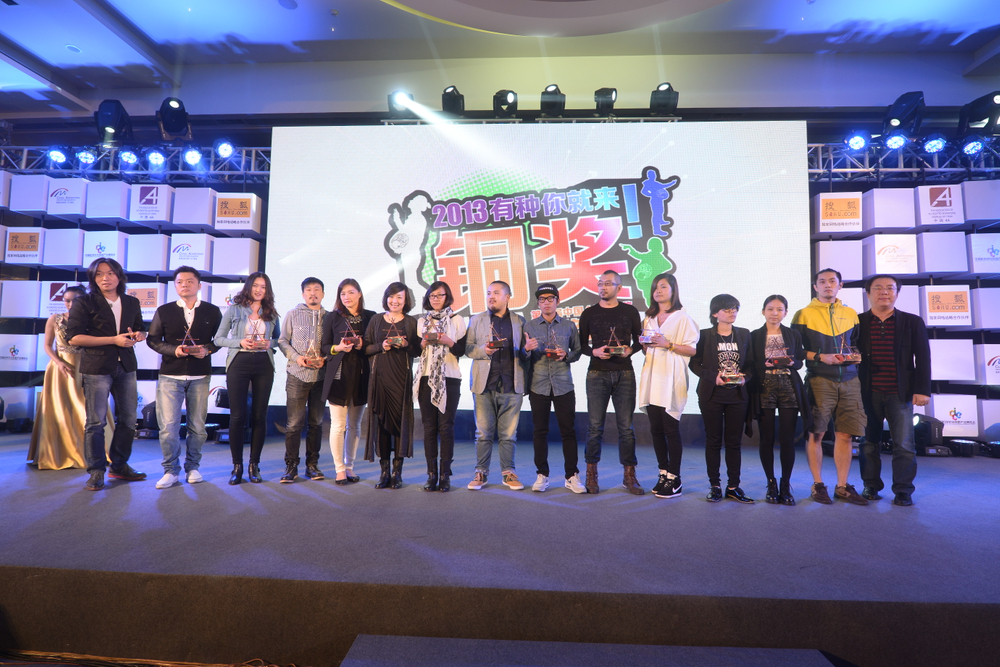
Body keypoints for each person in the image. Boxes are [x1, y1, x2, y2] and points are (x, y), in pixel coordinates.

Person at [65, 257, 147, 491]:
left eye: (110, 273)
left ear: (119, 276)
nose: (105, 278)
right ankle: (96, 471)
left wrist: (140, 335)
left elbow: (139, 327)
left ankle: (119, 466)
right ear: (93, 278)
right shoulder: (84, 302)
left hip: (126, 366)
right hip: (97, 367)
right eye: (99, 274)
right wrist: (113, 340)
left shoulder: (131, 302)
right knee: (96, 422)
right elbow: (74, 338)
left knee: (129, 420)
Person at [791, 268, 868, 506]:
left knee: (845, 434)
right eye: (822, 282)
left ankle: (842, 486)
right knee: (816, 433)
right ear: (815, 287)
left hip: (850, 380)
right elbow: (795, 351)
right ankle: (818, 484)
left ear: (840, 285)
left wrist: (855, 357)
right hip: (819, 379)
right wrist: (820, 357)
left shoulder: (851, 314)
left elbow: (856, 345)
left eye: (832, 281)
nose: (827, 285)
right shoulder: (803, 314)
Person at [857, 274, 931, 507]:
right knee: (868, 443)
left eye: (890, 288)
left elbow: (923, 357)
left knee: (904, 445)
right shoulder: (857, 322)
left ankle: (903, 490)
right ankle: (870, 485)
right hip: (867, 392)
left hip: (900, 393)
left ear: (897, 293)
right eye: (878, 288)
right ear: (868, 293)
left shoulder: (912, 322)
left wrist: (922, 390)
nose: (884, 292)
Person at [146, 266, 222, 488]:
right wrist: (174, 350)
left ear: (199, 285)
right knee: (169, 426)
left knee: (197, 426)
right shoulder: (164, 310)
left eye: (189, 281)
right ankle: (170, 470)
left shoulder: (212, 311)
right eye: (180, 282)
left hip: (200, 375)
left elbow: (220, 339)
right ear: (175, 285)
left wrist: (207, 349)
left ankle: (193, 467)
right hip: (170, 375)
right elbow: (153, 339)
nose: (184, 285)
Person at [28, 285, 112, 470]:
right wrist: (59, 362)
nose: (70, 304)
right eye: (67, 300)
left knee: (89, 411)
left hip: (87, 366)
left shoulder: (93, 319)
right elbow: (48, 346)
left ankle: (95, 454)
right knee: (61, 411)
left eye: (75, 300)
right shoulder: (54, 319)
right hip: (61, 369)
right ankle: (61, 453)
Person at [579, 270, 644, 495]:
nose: (603, 287)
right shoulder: (589, 313)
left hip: (624, 373)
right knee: (594, 427)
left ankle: (629, 476)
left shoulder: (630, 311)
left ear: (619, 287)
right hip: (597, 373)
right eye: (600, 283)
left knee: (626, 428)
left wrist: (630, 350)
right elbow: (581, 346)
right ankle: (591, 475)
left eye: (608, 283)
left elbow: (640, 340)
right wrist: (594, 351)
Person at [214, 271, 280, 485]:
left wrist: (269, 343)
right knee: (237, 416)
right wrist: (240, 342)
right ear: (249, 287)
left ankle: (254, 465)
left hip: (263, 363)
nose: (259, 290)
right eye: (256, 286)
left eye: (264, 287)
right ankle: (237, 466)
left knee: (260, 416)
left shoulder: (271, 312)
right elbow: (218, 339)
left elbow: (279, 340)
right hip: (239, 362)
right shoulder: (234, 309)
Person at [637, 273, 699, 499]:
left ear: (673, 290)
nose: (658, 291)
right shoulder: (649, 318)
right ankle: (663, 473)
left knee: (671, 428)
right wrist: (645, 343)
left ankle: (675, 477)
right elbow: (647, 348)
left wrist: (668, 344)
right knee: (656, 429)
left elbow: (692, 350)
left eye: (663, 287)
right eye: (655, 287)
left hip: (672, 378)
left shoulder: (682, 318)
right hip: (652, 377)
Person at [689, 294, 754, 503]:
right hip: (712, 394)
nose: (732, 312)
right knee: (713, 440)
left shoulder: (744, 334)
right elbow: (694, 364)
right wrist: (712, 377)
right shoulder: (704, 335)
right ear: (715, 313)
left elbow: (751, 364)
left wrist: (745, 378)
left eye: (735, 308)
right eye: (727, 309)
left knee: (734, 442)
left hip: (737, 395)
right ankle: (715, 486)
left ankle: (733, 486)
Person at [522, 282, 586, 493]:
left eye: (550, 299)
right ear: (538, 303)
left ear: (558, 301)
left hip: (563, 384)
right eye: (542, 299)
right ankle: (542, 475)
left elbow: (577, 351)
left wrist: (566, 355)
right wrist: (526, 350)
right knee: (540, 431)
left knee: (568, 431)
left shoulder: (569, 326)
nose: (546, 303)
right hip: (538, 385)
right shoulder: (529, 326)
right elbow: (523, 357)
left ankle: (571, 475)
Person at [748, 295, 810, 505]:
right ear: (763, 311)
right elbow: (751, 362)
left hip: (788, 386)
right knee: (766, 438)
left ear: (786, 312)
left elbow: (799, 361)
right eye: (770, 309)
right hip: (764, 387)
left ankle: (785, 485)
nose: (774, 313)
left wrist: (792, 362)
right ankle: (771, 483)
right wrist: (763, 365)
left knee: (787, 439)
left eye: (779, 309)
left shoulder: (793, 334)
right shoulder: (754, 335)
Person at [466, 281, 527, 491]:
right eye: (489, 293)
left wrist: (528, 350)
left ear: (507, 297)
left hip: (512, 384)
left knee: (508, 435)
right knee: (483, 433)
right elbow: (468, 349)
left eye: (496, 293)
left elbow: (524, 353)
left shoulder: (519, 321)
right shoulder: (476, 320)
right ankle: (481, 472)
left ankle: (508, 473)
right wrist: (484, 350)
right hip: (484, 385)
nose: (491, 296)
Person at [362, 282, 420, 488]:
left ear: (406, 301)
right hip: (379, 379)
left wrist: (406, 344)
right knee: (382, 426)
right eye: (391, 297)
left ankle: (397, 473)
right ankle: (384, 472)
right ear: (386, 298)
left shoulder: (411, 322)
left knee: (398, 426)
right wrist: (382, 346)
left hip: (401, 380)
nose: (394, 301)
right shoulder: (376, 320)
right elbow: (366, 348)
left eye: (399, 298)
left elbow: (417, 351)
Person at [413, 281, 467, 492]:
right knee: (429, 428)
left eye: (440, 295)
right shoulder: (421, 321)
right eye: (432, 296)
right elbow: (418, 351)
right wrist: (423, 344)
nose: (436, 299)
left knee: (446, 427)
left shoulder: (457, 319)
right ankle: (431, 475)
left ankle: (445, 475)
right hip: (426, 377)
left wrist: (448, 341)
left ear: (447, 297)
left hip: (449, 378)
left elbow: (461, 350)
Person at [321, 278, 375, 485]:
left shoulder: (370, 317)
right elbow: (324, 346)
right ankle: (339, 469)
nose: (347, 297)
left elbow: (373, 344)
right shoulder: (333, 317)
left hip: (361, 375)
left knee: (355, 425)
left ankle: (350, 466)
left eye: (351, 292)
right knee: (338, 425)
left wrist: (362, 344)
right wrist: (338, 348)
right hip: (339, 375)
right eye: (343, 294)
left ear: (359, 294)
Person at [277, 277, 328, 483]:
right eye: (308, 290)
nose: (312, 293)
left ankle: (312, 465)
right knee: (294, 424)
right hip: (297, 374)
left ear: (323, 294)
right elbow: (282, 341)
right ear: (303, 294)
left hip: (321, 377)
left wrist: (325, 359)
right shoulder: (293, 314)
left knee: (316, 423)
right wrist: (297, 357)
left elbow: (333, 344)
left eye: (317, 289)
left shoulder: (329, 317)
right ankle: (291, 467)